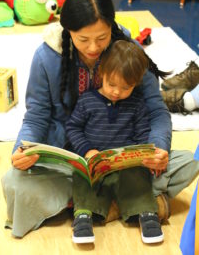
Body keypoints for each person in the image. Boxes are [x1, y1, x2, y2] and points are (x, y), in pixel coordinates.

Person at [1, 0, 199, 238]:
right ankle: (127, 204)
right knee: (15, 181)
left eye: (102, 37)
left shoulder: (129, 51)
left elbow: (156, 110)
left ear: (111, 27)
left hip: (124, 161)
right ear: (67, 30)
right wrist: (22, 149)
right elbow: (37, 116)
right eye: (83, 39)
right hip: (73, 162)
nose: (93, 47)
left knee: (187, 162)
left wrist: (158, 148)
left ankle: (91, 206)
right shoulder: (46, 57)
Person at [66, 40, 164, 244]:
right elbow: (73, 128)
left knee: (139, 174)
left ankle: (145, 212)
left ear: (136, 83)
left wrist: (144, 154)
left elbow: (143, 133)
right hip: (95, 163)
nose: (117, 92)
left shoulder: (137, 104)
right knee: (81, 175)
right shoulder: (87, 101)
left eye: (125, 87)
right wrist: (87, 150)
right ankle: (84, 215)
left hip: (124, 166)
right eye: (111, 84)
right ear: (101, 73)